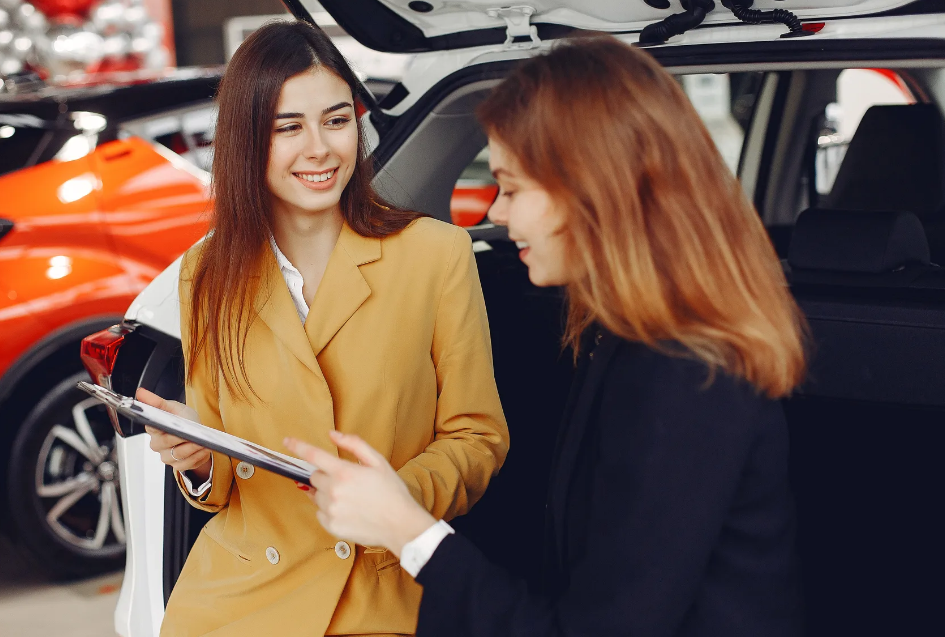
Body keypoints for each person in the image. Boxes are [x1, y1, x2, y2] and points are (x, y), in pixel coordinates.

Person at [286, 35, 808, 637]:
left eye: (512, 188)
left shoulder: (685, 373)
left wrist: (406, 530)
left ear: (593, 191)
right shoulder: (628, 334)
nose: (498, 214)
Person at [135, 21, 508, 637]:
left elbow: (478, 438)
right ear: (246, 140)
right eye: (289, 128)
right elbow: (221, 477)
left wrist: (394, 499)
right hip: (234, 600)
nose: (320, 149)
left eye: (336, 121)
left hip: (377, 592)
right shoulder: (206, 271)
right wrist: (198, 459)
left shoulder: (435, 254)